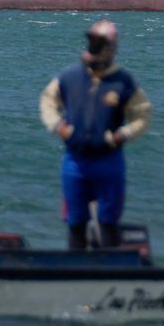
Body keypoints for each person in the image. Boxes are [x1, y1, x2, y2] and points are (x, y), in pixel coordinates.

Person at [39, 20, 152, 250]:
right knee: (75, 221)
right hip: (75, 162)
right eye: (92, 41)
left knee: (108, 221)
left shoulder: (123, 82)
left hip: (108, 161)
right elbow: (48, 100)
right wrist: (58, 126)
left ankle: (109, 272)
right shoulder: (69, 77)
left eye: (100, 43)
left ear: (112, 47)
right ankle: (75, 273)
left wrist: (121, 135)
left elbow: (143, 115)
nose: (94, 47)